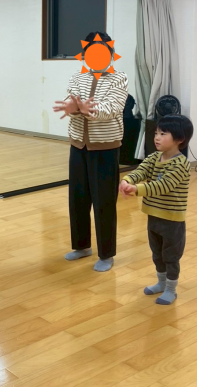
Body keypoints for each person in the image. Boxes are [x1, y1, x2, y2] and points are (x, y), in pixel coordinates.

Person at [53, 31, 128, 272]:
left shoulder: (119, 78)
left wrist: (86, 109)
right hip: (78, 145)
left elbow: (112, 108)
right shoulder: (78, 77)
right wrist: (73, 107)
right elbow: (71, 101)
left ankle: (106, 254)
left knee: (104, 201)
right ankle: (82, 246)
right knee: (78, 198)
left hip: (105, 148)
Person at [119, 114, 193, 305]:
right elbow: (141, 171)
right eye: (156, 133)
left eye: (163, 134)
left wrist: (136, 190)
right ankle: (161, 283)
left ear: (180, 139)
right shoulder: (153, 157)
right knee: (157, 253)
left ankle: (171, 290)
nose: (157, 137)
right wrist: (127, 180)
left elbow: (162, 186)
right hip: (153, 215)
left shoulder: (181, 164)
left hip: (172, 220)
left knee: (171, 256)